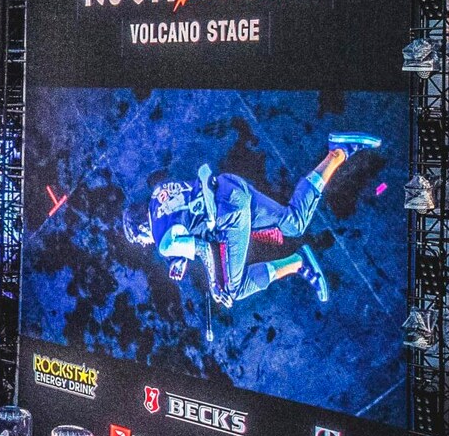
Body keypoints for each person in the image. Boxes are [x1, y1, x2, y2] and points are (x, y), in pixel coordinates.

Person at [120, 132, 379, 308]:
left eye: (141, 240)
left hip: (230, 215)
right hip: (230, 186)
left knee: (232, 290)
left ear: (142, 228)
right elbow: (183, 215)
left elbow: (204, 249)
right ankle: (337, 153)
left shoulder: (163, 244)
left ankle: (298, 263)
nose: (145, 244)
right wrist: (181, 257)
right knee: (294, 222)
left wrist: (214, 283)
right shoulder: (158, 194)